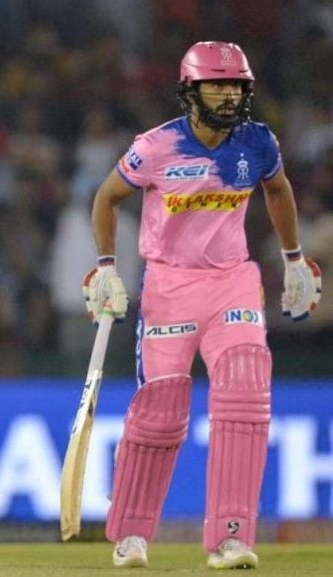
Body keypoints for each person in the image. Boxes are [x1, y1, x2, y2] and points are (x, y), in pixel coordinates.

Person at [84, 41, 322, 569]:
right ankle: (131, 534)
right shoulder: (157, 145)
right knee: (162, 413)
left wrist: (294, 259)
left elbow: (278, 192)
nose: (228, 95)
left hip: (232, 281)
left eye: (236, 85)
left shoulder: (258, 143)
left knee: (244, 390)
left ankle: (232, 537)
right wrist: (104, 267)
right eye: (216, 84)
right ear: (190, 91)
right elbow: (106, 198)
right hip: (169, 285)